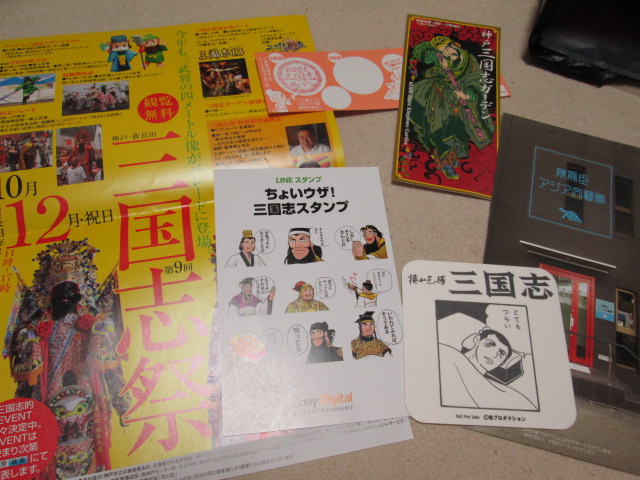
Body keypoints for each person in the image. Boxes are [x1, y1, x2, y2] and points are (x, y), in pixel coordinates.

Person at [6, 240, 130, 478]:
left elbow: (111, 369)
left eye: (71, 289)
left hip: (88, 402)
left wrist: (121, 402)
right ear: (49, 294)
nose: (65, 295)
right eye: (60, 290)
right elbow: (26, 381)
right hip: (48, 401)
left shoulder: (96, 324)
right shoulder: (35, 328)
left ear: (80, 292)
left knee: (90, 457)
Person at [410, 36, 496, 180]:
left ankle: (453, 157)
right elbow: (429, 66)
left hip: (461, 97)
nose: (447, 54)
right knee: (438, 126)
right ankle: (445, 163)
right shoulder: (443, 59)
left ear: (454, 45)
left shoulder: (469, 60)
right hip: (438, 95)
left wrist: (466, 94)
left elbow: (476, 80)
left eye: (447, 49)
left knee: (457, 127)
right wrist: (442, 67)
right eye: (443, 52)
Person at [439, 328, 536, 409]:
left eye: (501, 353)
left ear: (503, 362)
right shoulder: (446, 353)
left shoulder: (500, 391)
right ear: (477, 339)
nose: (494, 355)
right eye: (490, 344)